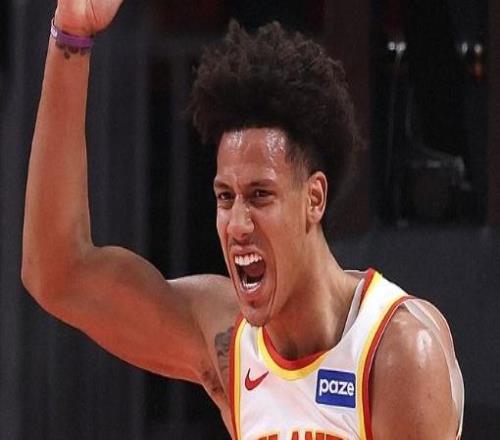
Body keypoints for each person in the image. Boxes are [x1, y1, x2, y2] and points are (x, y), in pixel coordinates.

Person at [22, 1, 464, 439]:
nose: (237, 224)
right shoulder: (227, 340)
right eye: (225, 197)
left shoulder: (399, 352)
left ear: (314, 199)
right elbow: (58, 273)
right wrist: (71, 31)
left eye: (259, 196)